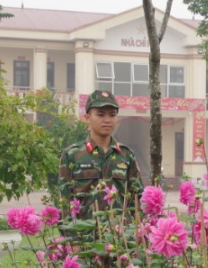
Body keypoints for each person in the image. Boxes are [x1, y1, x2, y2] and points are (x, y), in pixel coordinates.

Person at [58, 89, 144, 218]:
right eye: (100, 114)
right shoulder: (72, 155)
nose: (107, 120)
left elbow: (137, 200)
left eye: (112, 115)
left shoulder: (126, 155)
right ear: (87, 118)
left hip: (119, 229)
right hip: (85, 229)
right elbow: (64, 201)